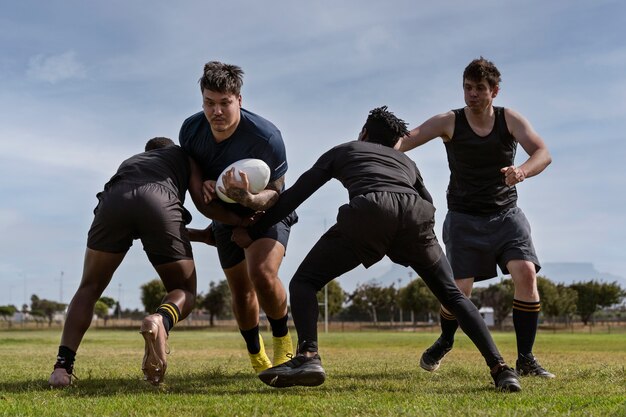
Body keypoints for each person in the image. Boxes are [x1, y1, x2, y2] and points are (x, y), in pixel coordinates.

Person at [232, 106, 522, 392]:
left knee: (305, 282)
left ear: (364, 133)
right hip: (416, 215)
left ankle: (308, 357)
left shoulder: (346, 150)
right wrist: (415, 242)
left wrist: (253, 229)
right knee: (454, 295)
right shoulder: (406, 162)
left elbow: (294, 196)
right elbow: (427, 199)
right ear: (396, 143)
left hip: (371, 210)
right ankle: (501, 370)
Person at [398, 57, 554, 378]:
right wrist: (370, 149)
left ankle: (525, 358)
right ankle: (445, 339)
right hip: (464, 218)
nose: (472, 95)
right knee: (459, 291)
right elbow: (408, 138)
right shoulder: (449, 121)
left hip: (506, 214)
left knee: (525, 273)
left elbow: (542, 152)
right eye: (468, 88)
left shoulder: (509, 119)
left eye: (480, 89)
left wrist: (522, 171)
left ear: (494, 91)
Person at [48, 137, 238, 388]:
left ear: (148, 152)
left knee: (89, 287)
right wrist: (236, 222)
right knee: (184, 291)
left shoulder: (131, 162)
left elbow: (136, 221)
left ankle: (62, 368)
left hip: (113, 200)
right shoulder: (182, 156)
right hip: (159, 203)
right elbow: (188, 207)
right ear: (170, 148)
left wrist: (199, 236)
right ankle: (160, 320)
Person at [179, 61, 296, 373]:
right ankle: (256, 354)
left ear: (239, 101)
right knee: (241, 291)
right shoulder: (191, 131)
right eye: (209, 103)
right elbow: (197, 188)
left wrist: (250, 199)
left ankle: (284, 344)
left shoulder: (266, 136)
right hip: (225, 215)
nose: (216, 112)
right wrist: (206, 186)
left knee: (261, 273)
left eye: (225, 103)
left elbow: (276, 191)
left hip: (268, 210)